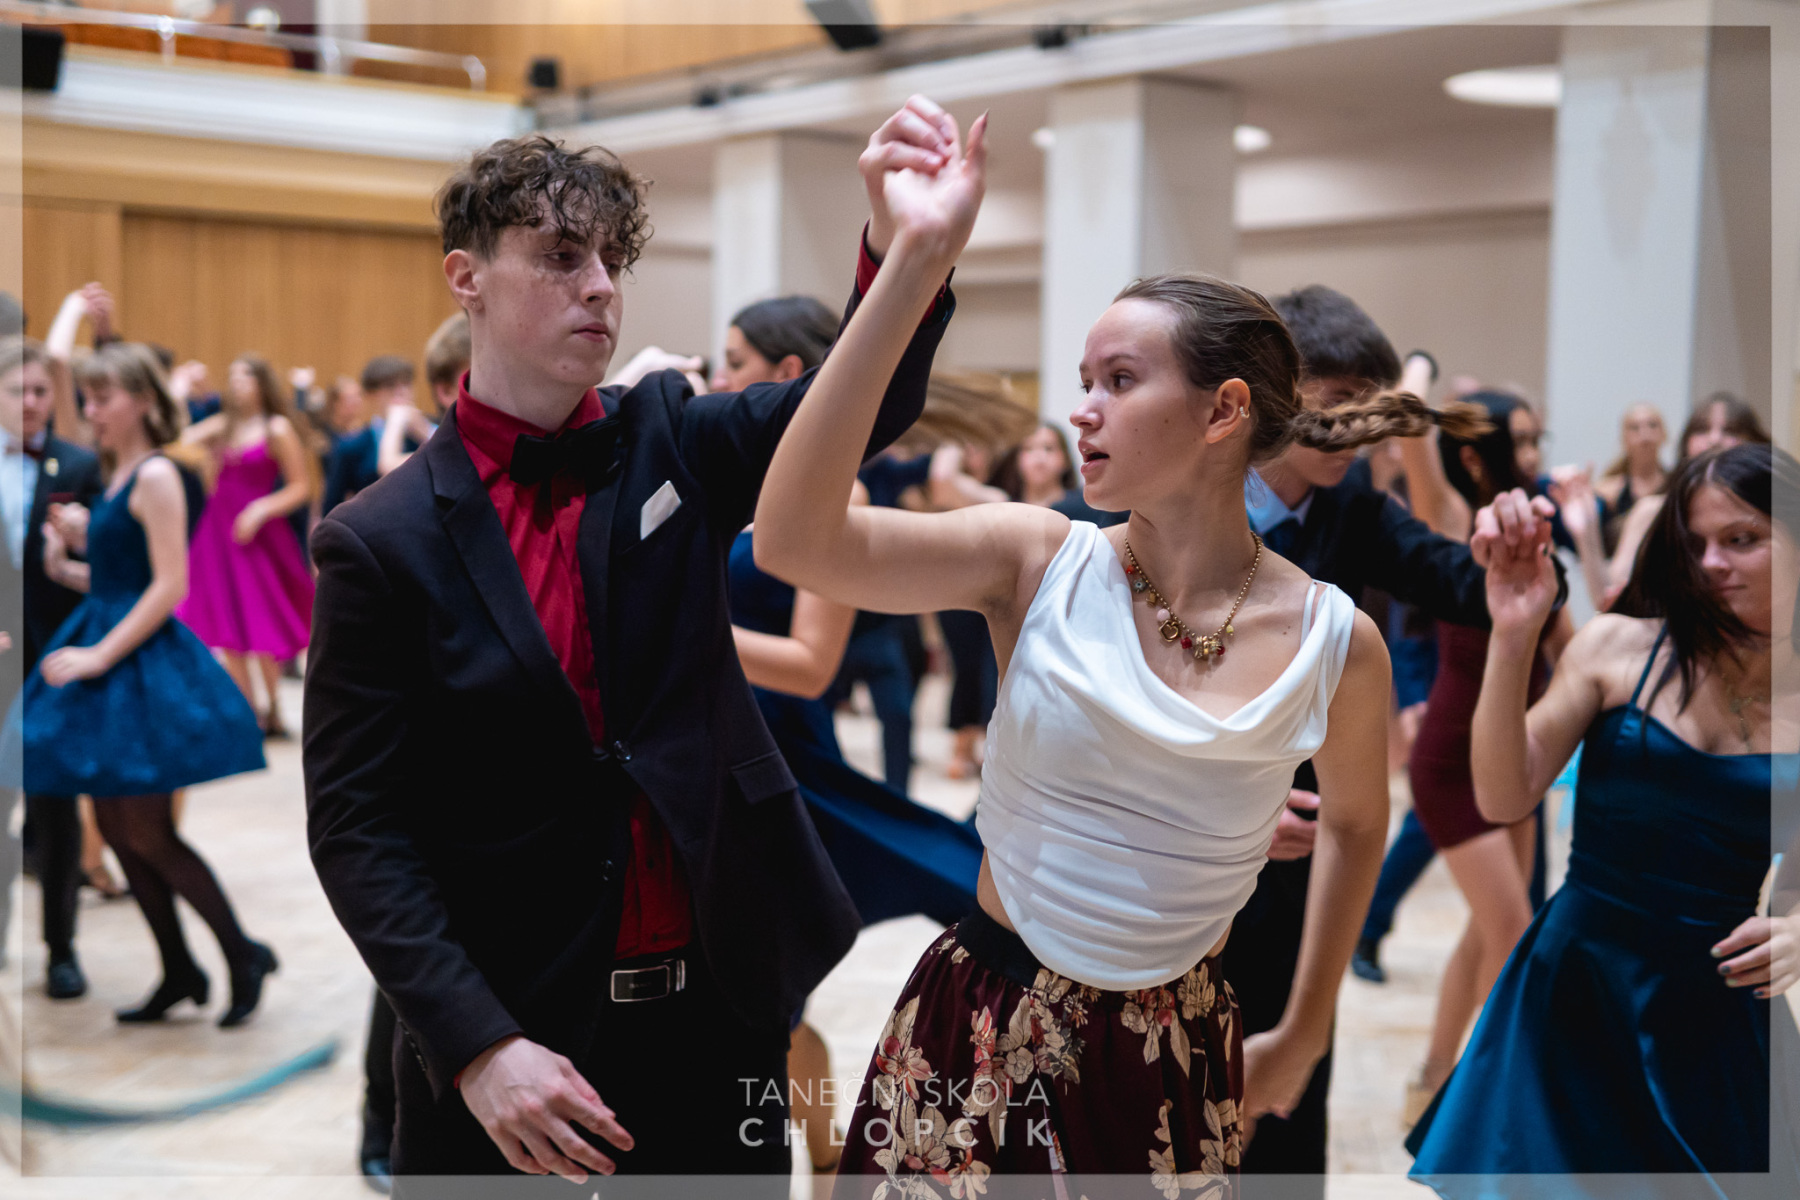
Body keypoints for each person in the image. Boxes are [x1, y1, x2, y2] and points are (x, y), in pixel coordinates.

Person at [754, 115, 1419, 1190]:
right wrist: (910, 267)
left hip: (1173, 1045)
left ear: (1224, 410)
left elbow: (1355, 821)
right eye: (1084, 380)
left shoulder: (1336, 639)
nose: (1080, 410)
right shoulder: (1034, 559)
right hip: (982, 1015)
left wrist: (1305, 1025)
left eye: (1118, 380)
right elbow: (793, 539)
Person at [303, 100, 956, 1190]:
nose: (601, 285)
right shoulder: (378, 540)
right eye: (563, 257)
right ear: (467, 278)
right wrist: (478, 1046)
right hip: (520, 1037)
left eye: (612, 259)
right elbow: (356, 825)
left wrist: (902, 249)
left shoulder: (671, 436)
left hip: (719, 1015)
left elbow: (857, 407)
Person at [1408, 442, 1799, 1193]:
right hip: (1577, 989)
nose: (1712, 563)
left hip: (1713, 1012)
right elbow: (1503, 796)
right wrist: (1514, 636)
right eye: (1695, 544)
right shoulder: (1619, 648)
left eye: (1742, 539)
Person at [1223, 286, 1526, 1195]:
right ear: (1275, 391)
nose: (1355, 430)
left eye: (1371, 407)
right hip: (1179, 844)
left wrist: (1508, 553)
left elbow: (1455, 580)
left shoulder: (1352, 503)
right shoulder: (1190, 494)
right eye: (1336, 401)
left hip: (1303, 844)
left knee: (1288, 1074)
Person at [20, 342, 273, 1026]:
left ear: (140, 401)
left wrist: (98, 655)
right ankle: (178, 968)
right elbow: (116, 582)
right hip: (111, 649)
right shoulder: (117, 471)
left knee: (148, 831)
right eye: (89, 399)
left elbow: (170, 585)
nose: (91, 411)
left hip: (135, 663)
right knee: (115, 825)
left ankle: (242, 952)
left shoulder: (158, 473)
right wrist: (66, 564)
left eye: (103, 399)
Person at [1401, 390, 1569, 1121]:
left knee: (1487, 933)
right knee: (1511, 935)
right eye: (1521, 441)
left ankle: (1432, 1082)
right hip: (1450, 761)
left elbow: (1565, 646)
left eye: (1536, 440)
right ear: (1475, 456)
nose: (1533, 456)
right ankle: (1503, 1109)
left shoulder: (1538, 527)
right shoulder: (1449, 517)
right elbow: (1414, 441)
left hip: (1514, 755)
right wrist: (1423, 374)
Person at [0, 336, 103, 999]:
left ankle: (61, 949)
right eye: (18, 390)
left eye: (40, 390)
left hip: (53, 661)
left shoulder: (79, 464)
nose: (31, 402)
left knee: (56, 811)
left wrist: (82, 539)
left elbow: (107, 569)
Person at [176, 354, 317, 738]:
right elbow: (179, 443)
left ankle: (273, 707)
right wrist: (185, 393)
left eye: (245, 378)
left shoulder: (276, 428)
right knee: (225, 622)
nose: (237, 384)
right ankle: (249, 711)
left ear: (261, 382)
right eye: (233, 377)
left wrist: (261, 509)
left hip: (259, 536)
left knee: (261, 621)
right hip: (218, 533)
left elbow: (300, 487)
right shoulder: (225, 425)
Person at [323, 356, 413, 515]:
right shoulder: (350, 446)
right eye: (391, 386)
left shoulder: (428, 434)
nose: (401, 392)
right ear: (371, 394)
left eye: (406, 384)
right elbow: (331, 507)